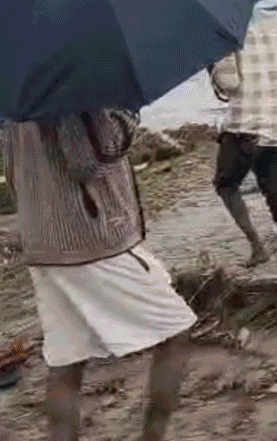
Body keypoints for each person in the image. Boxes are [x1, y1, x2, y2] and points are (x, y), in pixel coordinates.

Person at [1, 109, 197, 441]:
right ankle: (152, 435)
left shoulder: (14, 93)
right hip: (90, 240)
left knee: (67, 361)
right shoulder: (72, 87)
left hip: (43, 242)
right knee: (176, 329)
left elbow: (12, 167)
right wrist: (126, 116)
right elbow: (86, 161)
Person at [209, 21, 277, 277]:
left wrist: (212, 67)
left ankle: (257, 246)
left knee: (226, 186)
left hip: (243, 131)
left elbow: (229, 84)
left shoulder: (228, 33)